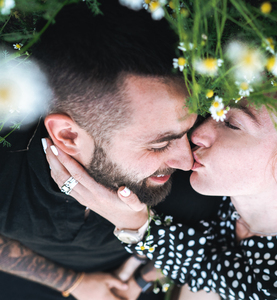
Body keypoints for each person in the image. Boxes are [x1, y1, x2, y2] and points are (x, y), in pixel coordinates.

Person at [45, 88, 277, 299]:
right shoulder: (240, 196)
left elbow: (214, 273)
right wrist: (144, 274)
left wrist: (135, 225)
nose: (198, 133)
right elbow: (211, 260)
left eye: (232, 124)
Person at [0, 2, 221, 300]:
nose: (187, 160)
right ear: (67, 136)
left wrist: (142, 263)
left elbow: (222, 254)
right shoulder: (7, 164)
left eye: (188, 132)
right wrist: (74, 283)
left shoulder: (204, 180)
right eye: (159, 144)